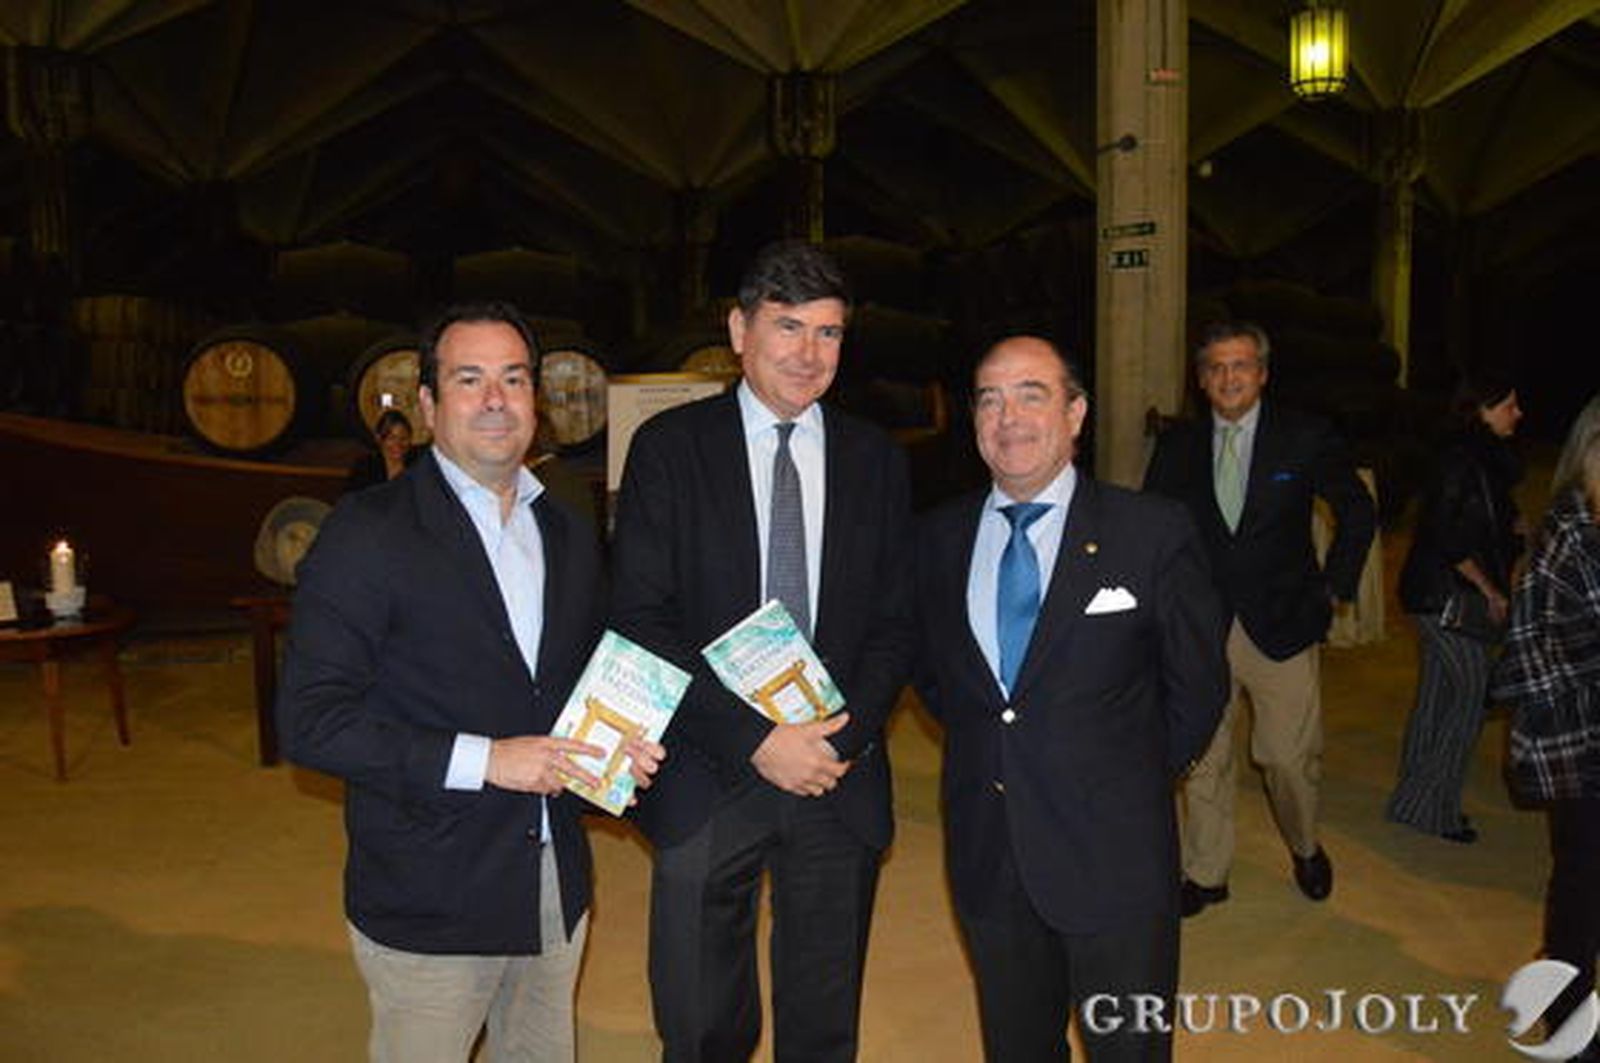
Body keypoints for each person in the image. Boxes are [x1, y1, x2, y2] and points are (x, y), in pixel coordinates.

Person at [278, 301, 663, 1063]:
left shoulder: (567, 525)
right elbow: (311, 719)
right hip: (431, 898)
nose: (496, 399)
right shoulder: (367, 531)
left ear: (536, 401)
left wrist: (619, 740)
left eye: (514, 378)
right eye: (470, 378)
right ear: (428, 404)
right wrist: (486, 758)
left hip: (553, 884)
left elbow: (576, 677)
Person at [610, 240, 914, 1062]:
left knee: (822, 1028)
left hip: (834, 775)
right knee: (702, 1025)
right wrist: (757, 739)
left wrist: (835, 741)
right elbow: (641, 616)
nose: (808, 353)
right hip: (708, 770)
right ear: (739, 327)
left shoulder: (876, 459)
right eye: (787, 326)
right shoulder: (670, 450)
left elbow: (896, 621)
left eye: (829, 333)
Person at [915, 336, 1228, 1061]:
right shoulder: (936, 537)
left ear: (1077, 412)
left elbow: (1198, 683)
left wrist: (1125, 780)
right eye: (989, 398)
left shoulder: (1148, 531)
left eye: (1032, 394)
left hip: (1114, 856)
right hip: (991, 854)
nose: (1008, 416)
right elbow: (941, 681)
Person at [1143, 321, 1375, 916]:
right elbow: (1152, 532)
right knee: (1202, 756)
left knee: (1287, 757)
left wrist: (1334, 590)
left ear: (1263, 374)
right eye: (1216, 367)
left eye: (1240, 365)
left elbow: (1357, 510)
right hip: (1201, 628)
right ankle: (1205, 871)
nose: (1228, 377)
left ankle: (1304, 844)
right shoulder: (1177, 448)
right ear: (1201, 380)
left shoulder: (1304, 437)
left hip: (1283, 623)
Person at [1493, 394, 1600, 1063]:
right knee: (1582, 882)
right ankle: (1566, 1014)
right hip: (1578, 744)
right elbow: (1542, 654)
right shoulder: (1569, 534)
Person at [1387, 374, 1524, 842]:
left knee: (1436, 697)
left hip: (1435, 595)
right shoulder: (1463, 460)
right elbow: (1449, 536)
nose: (1517, 413)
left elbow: (1480, 524)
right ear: (1482, 411)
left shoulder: (1478, 461)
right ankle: (1431, 807)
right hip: (1444, 599)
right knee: (1469, 699)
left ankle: (1412, 801)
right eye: (1508, 404)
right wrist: (1491, 591)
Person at [346, 407, 420, 491]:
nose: (398, 444)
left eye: (404, 438)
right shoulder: (366, 467)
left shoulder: (416, 465)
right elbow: (353, 499)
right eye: (392, 438)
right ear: (379, 439)